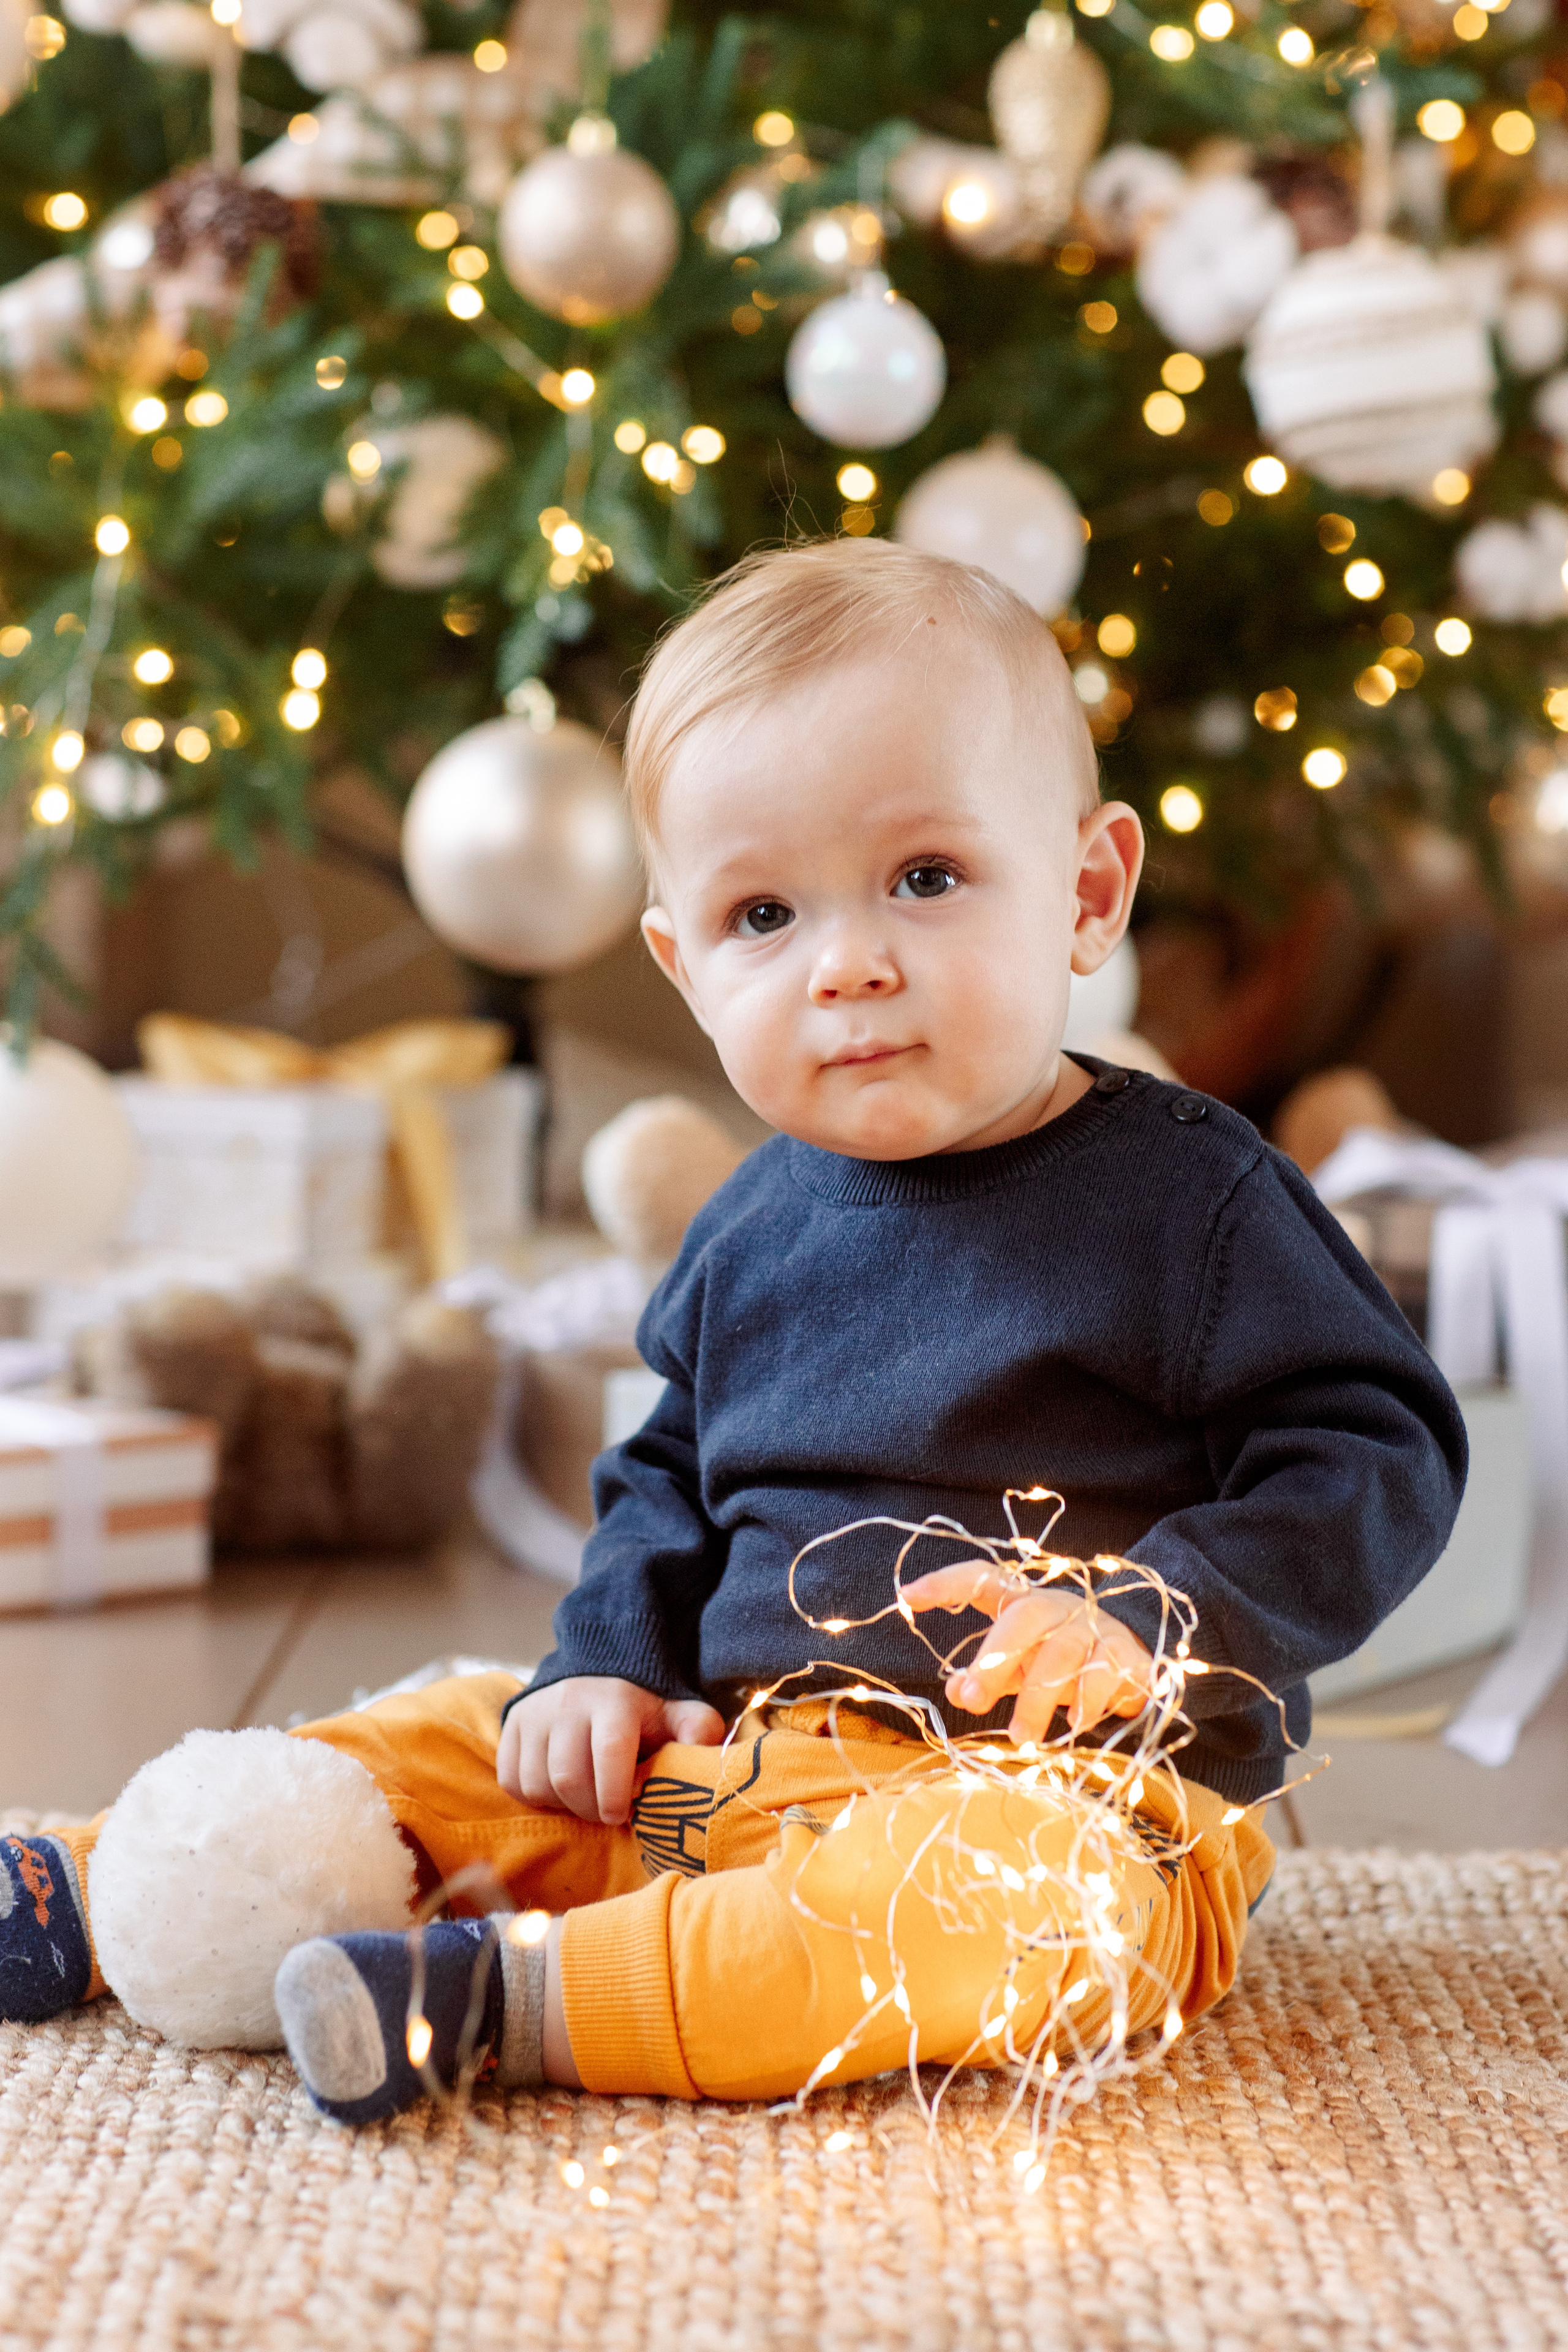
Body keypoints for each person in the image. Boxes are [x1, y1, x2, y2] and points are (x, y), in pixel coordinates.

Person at [1, 541, 1465, 2118]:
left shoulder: (1193, 1202)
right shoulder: (752, 1224)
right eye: (762, 913)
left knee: (989, 1916)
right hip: (721, 1769)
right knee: (448, 1739)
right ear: (683, 966)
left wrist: (1161, 1610)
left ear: (1087, 895)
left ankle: (520, 2000)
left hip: (1073, 1798)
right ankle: (98, 1888)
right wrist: (605, 1665)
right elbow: (671, 1470)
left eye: (924, 877)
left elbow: (1376, 1448)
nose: (848, 962)